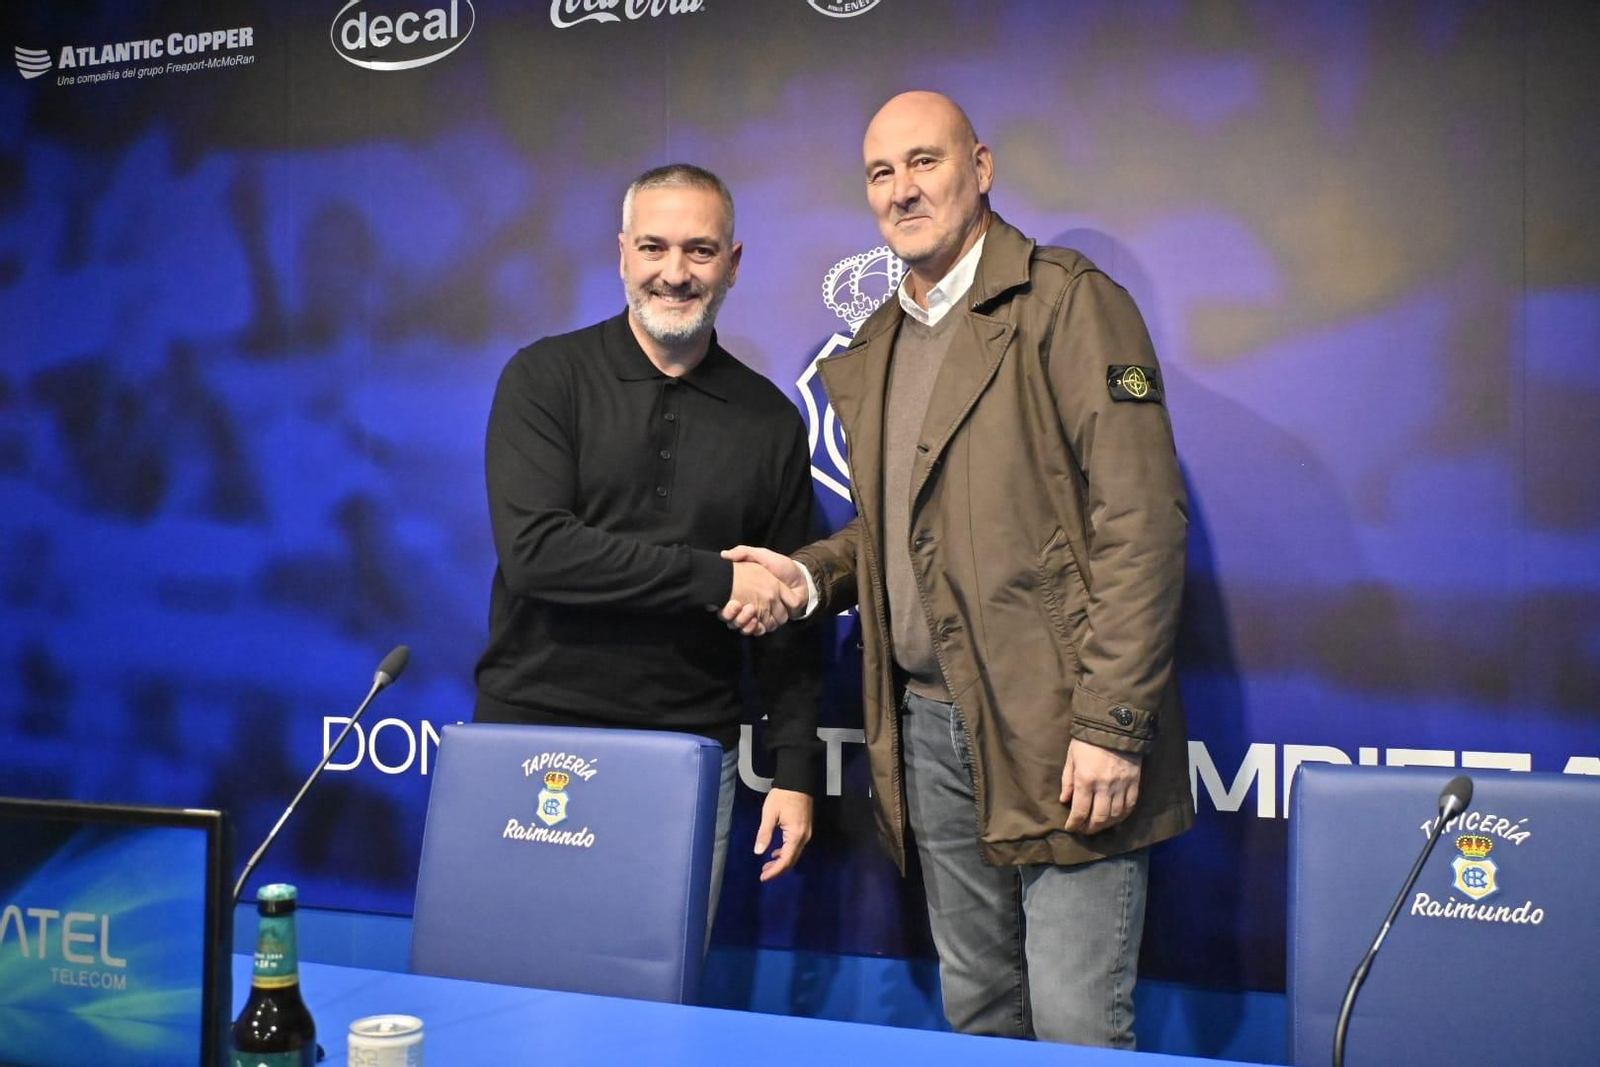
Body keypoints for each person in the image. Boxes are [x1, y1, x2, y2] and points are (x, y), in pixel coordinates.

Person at [721, 92, 1190, 1047]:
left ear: (980, 166)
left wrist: (1111, 722)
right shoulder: (879, 343)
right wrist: (806, 578)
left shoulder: (1068, 302)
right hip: (928, 727)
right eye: (881, 174)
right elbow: (892, 532)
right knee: (977, 1014)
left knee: (1073, 1025)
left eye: (923, 163)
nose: (902, 191)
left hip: (1061, 727)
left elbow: (1142, 522)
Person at [475, 164, 821, 924]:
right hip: (533, 736)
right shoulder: (545, 378)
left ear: (732, 263)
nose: (675, 273)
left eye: (700, 251)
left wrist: (795, 770)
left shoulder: (769, 420)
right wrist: (712, 580)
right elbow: (537, 552)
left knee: (654, 1017)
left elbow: (788, 611)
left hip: (688, 755)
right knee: (506, 1007)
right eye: (655, 248)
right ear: (623, 253)